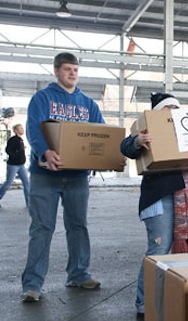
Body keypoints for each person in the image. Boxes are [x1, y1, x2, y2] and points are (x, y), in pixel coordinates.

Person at [121, 92, 188, 320]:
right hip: (161, 197)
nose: (174, 111)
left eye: (177, 107)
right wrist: (137, 141)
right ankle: (145, 303)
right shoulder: (148, 131)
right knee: (160, 248)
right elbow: (126, 146)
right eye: (168, 108)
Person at [21, 52, 103, 303]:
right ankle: (33, 284)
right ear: (56, 71)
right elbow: (33, 128)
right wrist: (44, 151)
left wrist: (107, 157)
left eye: (75, 69)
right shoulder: (42, 98)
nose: (72, 73)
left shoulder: (88, 104)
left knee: (78, 226)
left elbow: (101, 134)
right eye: (67, 69)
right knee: (42, 228)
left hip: (77, 176)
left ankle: (78, 274)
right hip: (46, 175)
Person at [0, 123, 30, 208]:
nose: (22, 130)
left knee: (27, 183)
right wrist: (15, 156)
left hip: (21, 165)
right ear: (16, 130)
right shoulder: (13, 140)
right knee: (8, 183)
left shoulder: (20, 140)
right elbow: (8, 150)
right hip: (13, 165)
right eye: (20, 128)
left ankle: (29, 203)